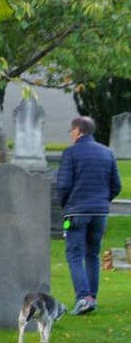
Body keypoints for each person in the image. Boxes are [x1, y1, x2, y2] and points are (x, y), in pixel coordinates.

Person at [56, 115, 121, 314]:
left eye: (71, 130)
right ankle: (91, 297)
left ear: (78, 130)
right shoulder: (107, 153)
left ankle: (83, 297)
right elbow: (116, 186)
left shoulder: (71, 153)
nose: (70, 134)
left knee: (74, 255)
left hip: (76, 212)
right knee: (92, 254)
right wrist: (102, 202)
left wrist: (64, 205)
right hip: (100, 213)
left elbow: (64, 185)